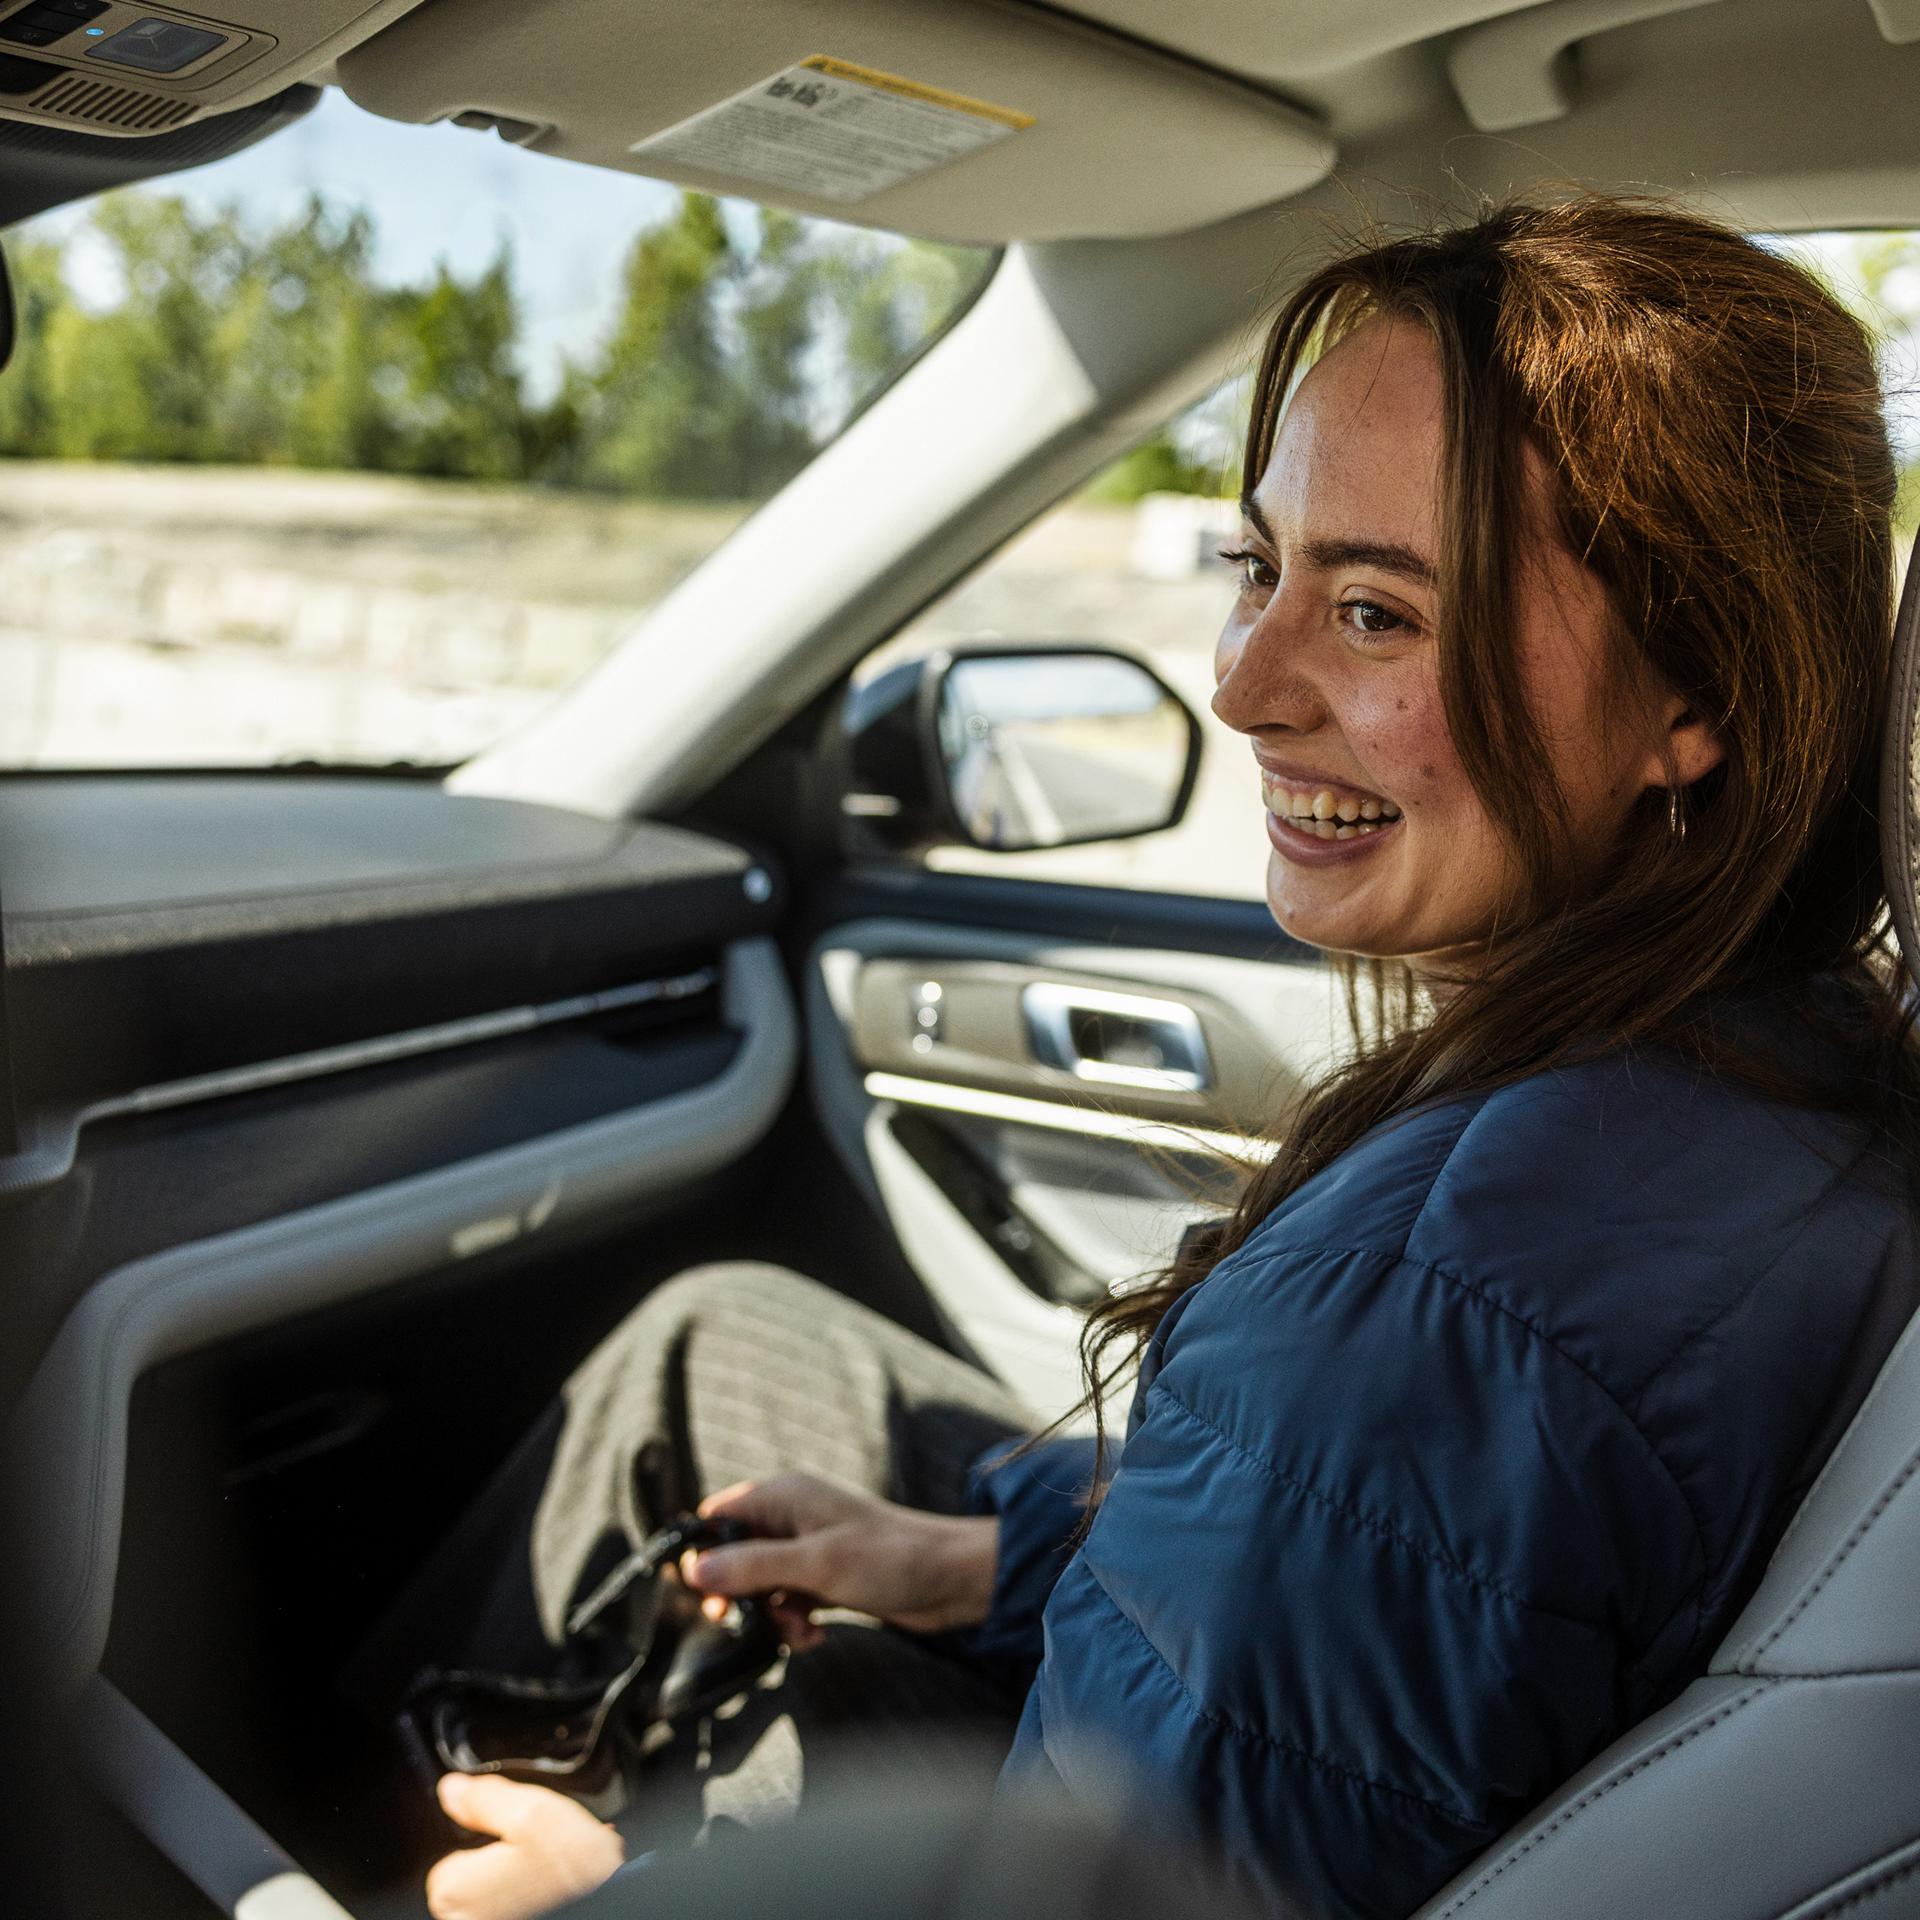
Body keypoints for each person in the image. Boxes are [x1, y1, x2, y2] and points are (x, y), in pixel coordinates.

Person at [411, 197, 1920, 1920]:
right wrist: (981, 1556)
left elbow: (1333, 1568)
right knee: (724, 1346)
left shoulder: (1422, 1321)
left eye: (1376, 614)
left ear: (1696, 697)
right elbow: (1393, 1602)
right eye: (1258, 568)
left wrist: (607, 1902)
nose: (1245, 687)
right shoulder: (1808, 1061)